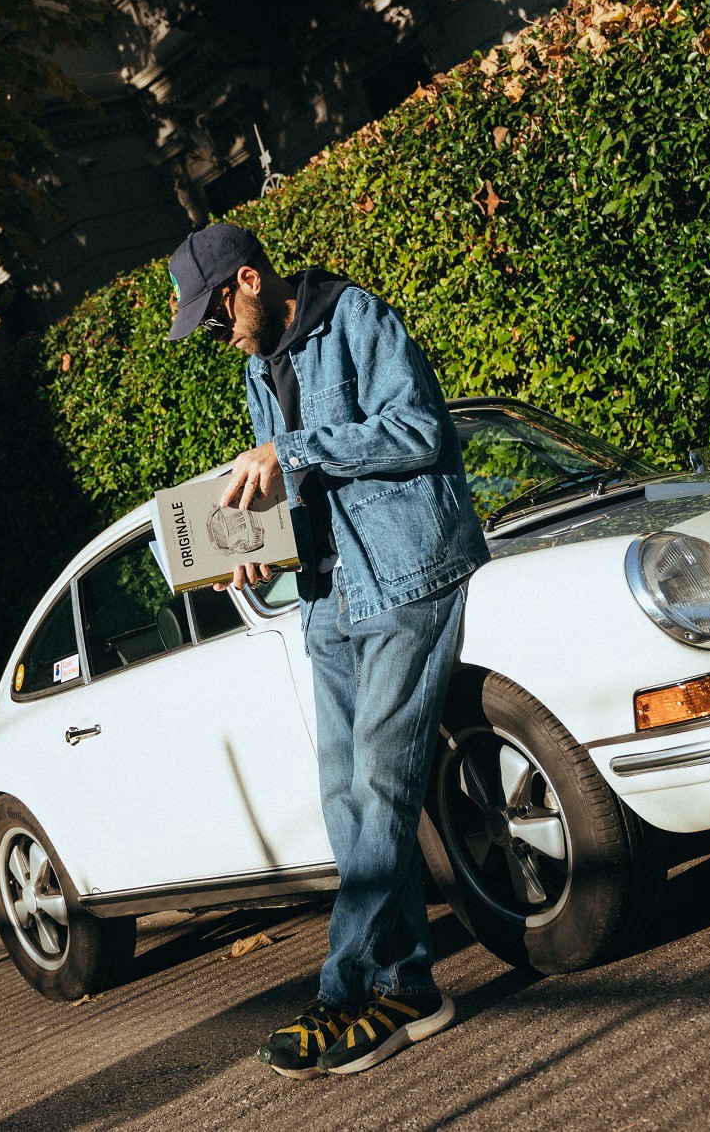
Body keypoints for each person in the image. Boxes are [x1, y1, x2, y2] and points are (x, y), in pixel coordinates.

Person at [166, 223, 490, 1078]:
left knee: (382, 785)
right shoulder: (254, 371)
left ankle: (344, 991)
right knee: (347, 801)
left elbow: (419, 431)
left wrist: (295, 449)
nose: (214, 332)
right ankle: (409, 989)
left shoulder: (357, 320)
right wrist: (265, 538)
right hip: (327, 596)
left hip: (410, 574)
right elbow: (302, 491)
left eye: (214, 312)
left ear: (249, 279)